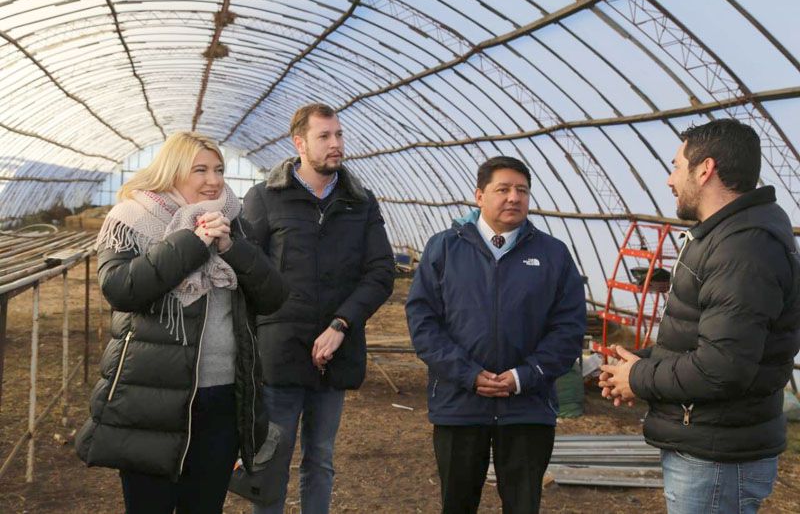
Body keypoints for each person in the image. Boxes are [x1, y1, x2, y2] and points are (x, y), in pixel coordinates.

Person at [75, 132, 288, 514]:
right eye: (201, 170)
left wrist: (229, 248)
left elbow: (273, 295)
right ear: (173, 171)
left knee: (204, 506)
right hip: (150, 397)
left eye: (219, 169)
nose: (214, 179)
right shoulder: (130, 219)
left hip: (222, 396)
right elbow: (121, 289)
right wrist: (193, 241)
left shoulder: (234, 225)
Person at [599, 119, 800, 514]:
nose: (670, 180)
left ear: (704, 170)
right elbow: (705, 336)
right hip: (711, 447)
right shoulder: (726, 235)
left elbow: (722, 367)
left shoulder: (743, 249)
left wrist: (638, 378)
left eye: (676, 166)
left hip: (718, 457)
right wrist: (641, 362)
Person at [405, 156, 586, 514]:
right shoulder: (444, 248)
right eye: (502, 189)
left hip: (527, 407)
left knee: (523, 504)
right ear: (479, 196)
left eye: (522, 190)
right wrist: (467, 373)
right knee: (457, 502)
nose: (513, 198)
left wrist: (525, 376)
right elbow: (423, 320)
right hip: (459, 405)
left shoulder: (553, 254)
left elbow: (568, 328)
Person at [242, 103, 394, 513]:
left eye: (339, 135)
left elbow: (380, 272)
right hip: (279, 354)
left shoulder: (360, 202)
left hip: (335, 352)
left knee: (321, 459)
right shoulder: (266, 198)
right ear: (300, 143)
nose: (336, 144)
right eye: (325, 136)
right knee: (272, 461)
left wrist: (342, 323)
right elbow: (246, 273)